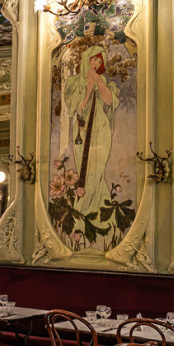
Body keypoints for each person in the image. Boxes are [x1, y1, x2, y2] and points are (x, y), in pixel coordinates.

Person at [64, 46, 120, 220]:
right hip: (81, 130)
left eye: (100, 61)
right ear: (86, 58)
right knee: (84, 169)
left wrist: (100, 83)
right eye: (94, 59)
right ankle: (83, 209)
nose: (96, 63)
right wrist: (88, 87)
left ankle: (97, 208)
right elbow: (76, 107)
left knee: (98, 168)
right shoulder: (74, 82)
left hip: (101, 127)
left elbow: (109, 101)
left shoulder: (104, 81)